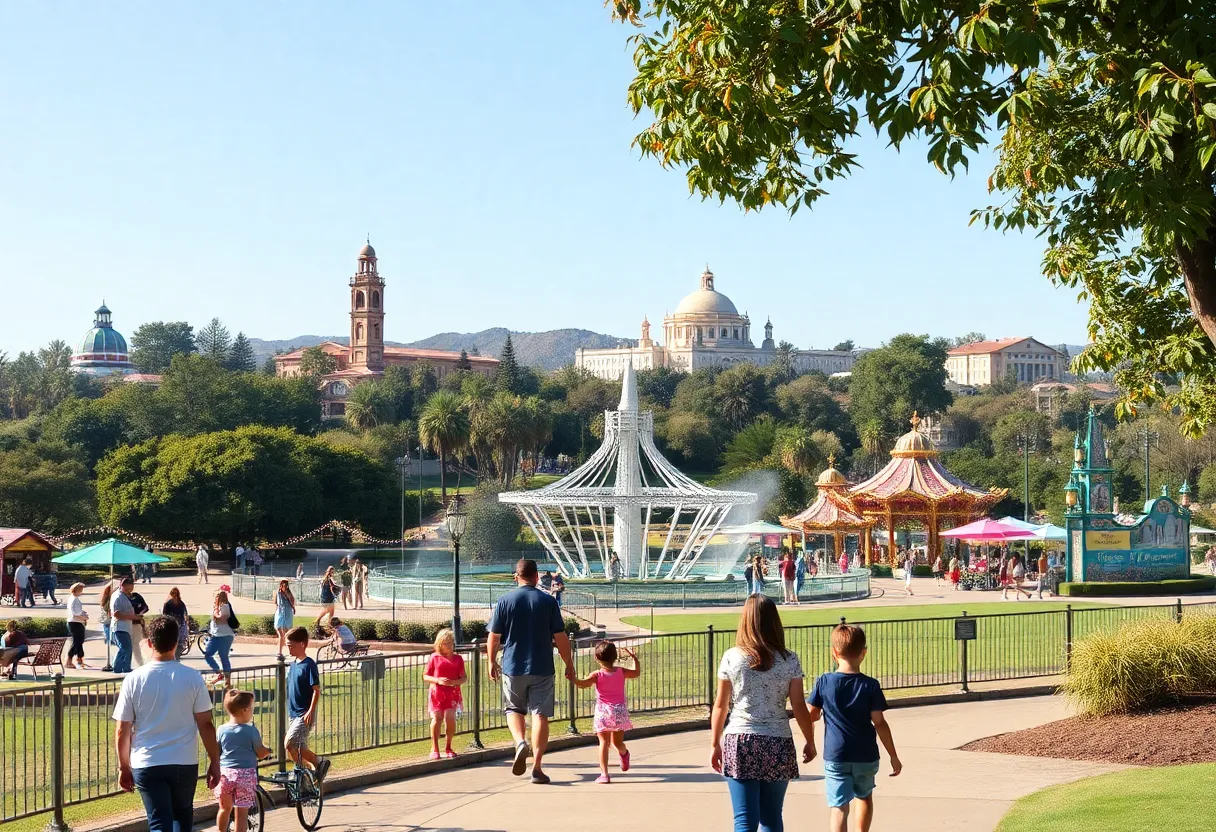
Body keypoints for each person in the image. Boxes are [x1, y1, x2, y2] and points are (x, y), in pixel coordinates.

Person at [711, 595, 816, 832]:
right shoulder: (789, 660)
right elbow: (799, 706)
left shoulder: (733, 657)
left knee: (744, 819)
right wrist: (809, 741)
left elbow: (720, 705)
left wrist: (714, 743)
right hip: (778, 741)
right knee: (771, 817)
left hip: (740, 740)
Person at [113, 616, 221, 832]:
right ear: (177, 643)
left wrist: (124, 766)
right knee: (183, 818)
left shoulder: (133, 679)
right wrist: (215, 761)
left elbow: (122, 729)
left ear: (150, 643)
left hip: (147, 761)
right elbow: (206, 725)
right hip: (184, 761)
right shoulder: (193, 678)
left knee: (159, 822)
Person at [486, 558, 576, 785]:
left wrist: (491, 661)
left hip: (512, 666)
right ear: (537, 577)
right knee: (540, 715)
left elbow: (494, 636)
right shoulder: (548, 602)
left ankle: (519, 742)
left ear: (516, 577)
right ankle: (537, 766)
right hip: (542, 666)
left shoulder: (505, 601)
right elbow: (561, 637)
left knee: (514, 709)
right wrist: (569, 663)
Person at [808, 624, 902, 832]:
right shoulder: (870, 685)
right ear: (863, 653)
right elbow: (879, 722)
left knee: (839, 806)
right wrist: (893, 755)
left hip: (836, 754)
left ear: (834, 652)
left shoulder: (824, 681)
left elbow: (811, 715)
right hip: (866, 754)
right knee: (865, 797)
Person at [574, 641, 640, 784]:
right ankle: (624, 753)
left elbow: (583, 684)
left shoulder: (597, 675)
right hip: (619, 711)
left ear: (596, 658)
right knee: (617, 743)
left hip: (603, 712)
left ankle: (604, 774)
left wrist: (573, 679)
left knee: (603, 742)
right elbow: (636, 673)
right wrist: (635, 659)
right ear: (615, 657)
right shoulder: (621, 672)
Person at [214, 689, 271, 832]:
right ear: (244, 711)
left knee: (224, 808)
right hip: (244, 775)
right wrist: (268, 751)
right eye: (252, 709)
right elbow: (260, 751)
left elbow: (217, 752)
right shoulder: (251, 731)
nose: (253, 712)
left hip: (225, 774)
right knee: (241, 814)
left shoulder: (221, 730)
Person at [284, 626, 332, 782]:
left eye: (291, 645)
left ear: (303, 644)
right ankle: (305, 777)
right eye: (287, 645)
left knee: (289, 742)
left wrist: (310, 711)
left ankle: (320, 762)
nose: (288, 648)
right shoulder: (292, 665)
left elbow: (316, 691)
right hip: (293, 712)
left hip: (304, 713)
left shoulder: (309, 664)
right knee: (295, 748)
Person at [423, 628, 466, 760]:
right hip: (437, 693)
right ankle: (434, 748)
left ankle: (448, 746)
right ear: (440, 644)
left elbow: (464, 678)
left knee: (450, 718)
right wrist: (438, 681)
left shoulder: (458, 659)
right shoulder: (434, 658)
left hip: (452, 693)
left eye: (451, 643)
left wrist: (453, 682)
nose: (449, 646)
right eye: (446, 643)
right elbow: (425, 676)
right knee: (437, 719)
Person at [203, 589, 236, 686]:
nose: (216, 599)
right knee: (223, 656)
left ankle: (223, 676)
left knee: (208, 654)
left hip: (222, 635)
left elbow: (222, 617)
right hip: (219, 634)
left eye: (217, 597)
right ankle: (225, 678)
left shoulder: (225, 606)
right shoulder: (219, 607)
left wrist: (216, 614)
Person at [111, 577, 139, 674]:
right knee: (125, 647)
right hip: (120, 627)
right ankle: (117, 667)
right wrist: (133, 617)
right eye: (130, 587)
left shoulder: (124, 595)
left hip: (126, 626)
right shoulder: (118, 597)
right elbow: (116, 614)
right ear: (124, 585)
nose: (131, 589)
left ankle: (125, 667)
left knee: (127, 648)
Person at [162, 587, 191, 659]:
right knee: (176, 639)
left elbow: (185, 613)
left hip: (177, 623)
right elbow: (165, 615)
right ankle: (176, 653)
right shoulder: (173, 603)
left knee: (178, 639)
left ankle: (177, 653)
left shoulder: (176, 603)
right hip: (175, 624)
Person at [66, 582, 89, 669]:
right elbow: (75, 613)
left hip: (76, 622)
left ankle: (79, 658)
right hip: (75, 622)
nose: (82, 592)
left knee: (79, 641)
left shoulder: (73, 598)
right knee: (77, 642)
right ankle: (69, 659)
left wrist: (83, 614)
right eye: (81, 590)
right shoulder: (74, 599)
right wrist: (84, 617)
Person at [129, 585, 150, 668]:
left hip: (136, 623)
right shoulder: (122, 597)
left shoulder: (136, 596)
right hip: (126, 623)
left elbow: (145, 607)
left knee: (135, 644)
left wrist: (140, 613)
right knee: (126, 645)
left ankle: (139, 663)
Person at [274, 579, 296, 658]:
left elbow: (293, 601)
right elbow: (276, 602)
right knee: (280, 634)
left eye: (286, 584)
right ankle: (279, 652)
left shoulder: (289, 593)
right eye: (283, 584)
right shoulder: (278, 592)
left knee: (287, 633)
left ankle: (291, 651)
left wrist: (292, 607)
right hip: (280, 614)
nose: (285, 586)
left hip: (287, 614)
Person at [99, 581, 114, 647]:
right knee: (111, 639)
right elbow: (107, 610)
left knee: (109, 638)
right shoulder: (109, 598)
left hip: (106, 620)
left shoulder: (105, 597)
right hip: (108, 621)